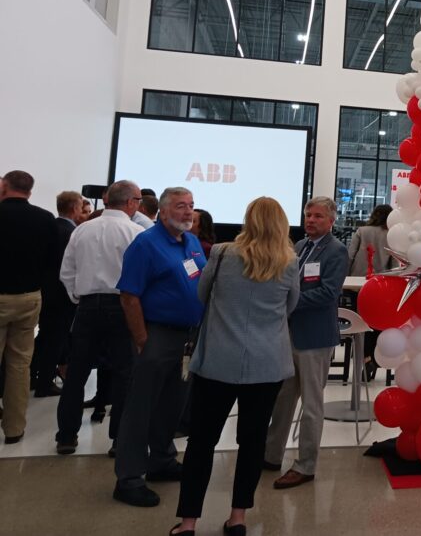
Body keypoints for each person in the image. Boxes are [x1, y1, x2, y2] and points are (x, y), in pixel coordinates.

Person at [171, 197, 299, 536]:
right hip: (267, 365)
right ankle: (238, 517)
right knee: (253, 442)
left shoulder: (224, 254)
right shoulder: (289, 262)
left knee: (201, 442)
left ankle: (188, 522)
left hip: (218, 362)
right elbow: (291, 306)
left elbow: (201, 295)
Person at [113, 187, 206, 507]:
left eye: (191, 206)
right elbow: (129, 295)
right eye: (181, 206)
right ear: (163, 211)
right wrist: (141, 340)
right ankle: (128, 478)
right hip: (156, 335)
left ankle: (162, 461)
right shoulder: (145, 244)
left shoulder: (191, 242)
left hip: (186, 338)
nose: (188, 212)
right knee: (141, 408)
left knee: (173, 404)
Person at [54, 181, 144, 455]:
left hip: (88, 307)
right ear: (130, 203)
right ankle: (119, 439)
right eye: (138, 199)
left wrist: (78, 297)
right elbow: (142, 276)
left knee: (77, 373)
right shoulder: (136, 232)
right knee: (124, 374)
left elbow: (66, 271)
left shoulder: (82, 230)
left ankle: (66, 436)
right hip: (122, 306)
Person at [265, 197, 348, 489]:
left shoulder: (336, 251)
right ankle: (271, 455)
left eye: (318, 216)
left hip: (315, 337)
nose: (311, 220)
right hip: (290, 335)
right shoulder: (299, 248)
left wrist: (287, 302)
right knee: (283, 398)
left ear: (331, 221)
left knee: (311, 404)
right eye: (308, 215)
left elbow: (327, 293)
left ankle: (305, 466)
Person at [0, 170, 60, 443]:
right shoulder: (45, 218)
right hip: (30, 297)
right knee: (20, 364)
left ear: (4, 186)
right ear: (30, 191)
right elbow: (52, 261)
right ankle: (14, 428)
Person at [31, 190, 83, 396]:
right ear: (74, 208)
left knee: (45, 336)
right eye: (80, 206)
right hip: (62, 295)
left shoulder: (51, 227)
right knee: (55, 339)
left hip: (46, 291)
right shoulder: (71, 233)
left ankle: (34, 376)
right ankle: (44, 382)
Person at [347, 204, 393, 276]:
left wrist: (346, 275)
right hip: (380, 278)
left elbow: (350, 255)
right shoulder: (390, 235)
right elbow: (394, 263)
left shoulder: (362, 231)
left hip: (357, 275)